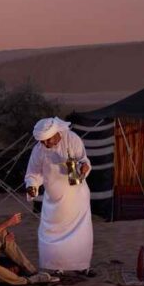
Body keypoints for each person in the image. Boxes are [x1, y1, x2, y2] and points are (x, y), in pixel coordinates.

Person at [24, 117, 94, 273]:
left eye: (47, 140)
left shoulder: (72, 139)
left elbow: (84, 160)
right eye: (42, 142)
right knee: (50, 235)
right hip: (54, 203)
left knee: (79, 236)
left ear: (56, 133)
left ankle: (82, 267)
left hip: (77, 199)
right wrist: (31, 186)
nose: (46, 144)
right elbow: (33, 173)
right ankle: (56, 268)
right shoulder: (39, 149)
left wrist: (84, 167)